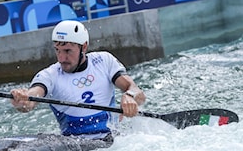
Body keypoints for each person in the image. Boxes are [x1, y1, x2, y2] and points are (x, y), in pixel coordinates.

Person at [10, 20, 146, 143]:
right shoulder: (49, 75)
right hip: (75, 145)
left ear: (84, 47)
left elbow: (136, 91)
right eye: (58, 51)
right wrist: (24, 100)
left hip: (113, 140)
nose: (62, 58)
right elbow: (32, 98)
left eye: (68, 51)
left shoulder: (104, 61)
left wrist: (130, 96)